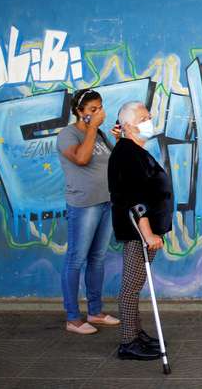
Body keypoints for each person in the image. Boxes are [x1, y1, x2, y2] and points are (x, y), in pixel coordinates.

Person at [109, 101, 172, 360]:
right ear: (128, 125)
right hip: (138, 233)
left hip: (143, 231)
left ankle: (136, 333)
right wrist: (148, 235)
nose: (150, 120)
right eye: (144, 117)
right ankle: (128, 342)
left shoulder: (132, 150)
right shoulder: (127, 153)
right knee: (131, 286)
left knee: (134, 284)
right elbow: (135, 200)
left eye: (149, 116)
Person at [57, 88, 120, 335]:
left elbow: (112, 163)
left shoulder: (101, 135)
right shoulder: (67, 135)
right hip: (84, 205)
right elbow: (82, 159)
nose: (98, 113)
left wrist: (118, 140)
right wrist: (92, 128)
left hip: (106, 203)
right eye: (92, 110)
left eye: (100, 108)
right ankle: (73, 318)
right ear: (78, 112)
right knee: (76, 259)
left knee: (98, 258)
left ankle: (95, 311)